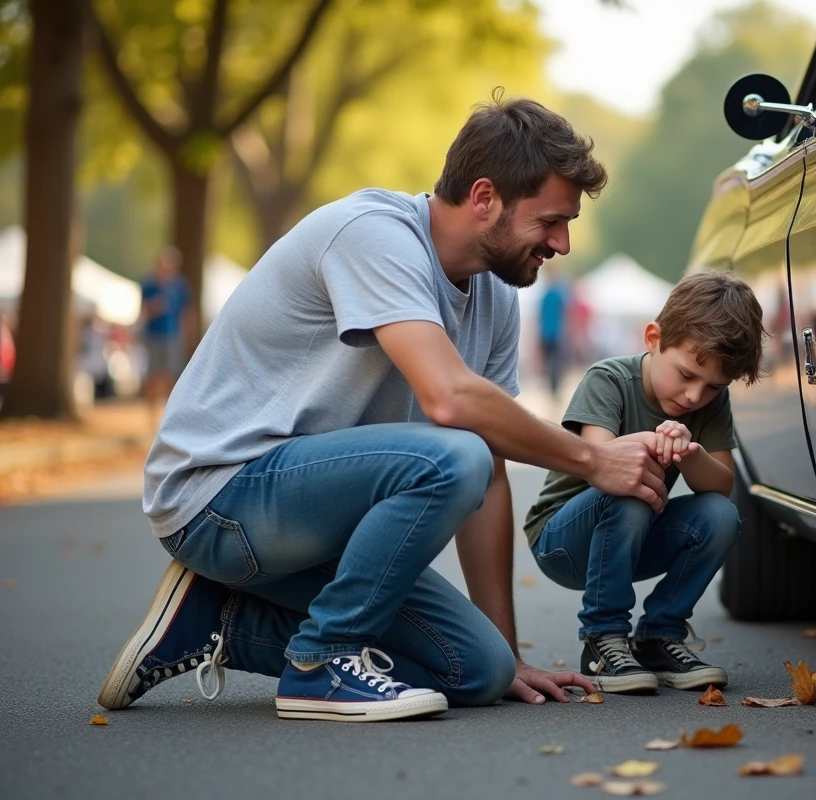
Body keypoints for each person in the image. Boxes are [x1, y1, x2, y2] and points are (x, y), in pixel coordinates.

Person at [97, 94, 669, 723]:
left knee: (479, 671)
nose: (562, 243)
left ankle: (216, 623)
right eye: (551, 221)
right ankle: (320, 663)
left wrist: (509, 654)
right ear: (484, 197)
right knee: (455, 452)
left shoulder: (497, 295)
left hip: (314, 523)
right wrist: (592, 459)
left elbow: (491, 471)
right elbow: (449, 399)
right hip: (219, 500)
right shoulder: (373, 233)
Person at [523, 272, 766, 693]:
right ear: (654, 338)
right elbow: (600, 458)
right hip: (563, 540)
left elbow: (721, 486)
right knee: (631, 483)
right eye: (686, 375)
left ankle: (659, 636)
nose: (695, 396)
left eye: (713, 387)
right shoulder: (609, 379)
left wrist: (692, 452)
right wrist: (652, 441)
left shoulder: (709, 401)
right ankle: (602, 638)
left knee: (721, 514)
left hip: (633, 537)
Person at [139, 246, 193, 424]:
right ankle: (151, 418)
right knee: (153, 376)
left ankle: (168, 417)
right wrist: (155, 306)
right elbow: (143, 311)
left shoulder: (180, 286)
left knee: (172, 377)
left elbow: (186, 312)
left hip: (173, 336)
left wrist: (188, 335)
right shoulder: (149, 286)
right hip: (154, 336)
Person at [537, 262, 570, 401]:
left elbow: (540, 315)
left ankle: (552, 389)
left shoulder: (546, 294)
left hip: (546, 332)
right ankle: (555, 389)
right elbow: (565, 313)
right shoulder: (559, 294)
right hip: (556, 333)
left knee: (550, 362)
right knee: (556, 362)